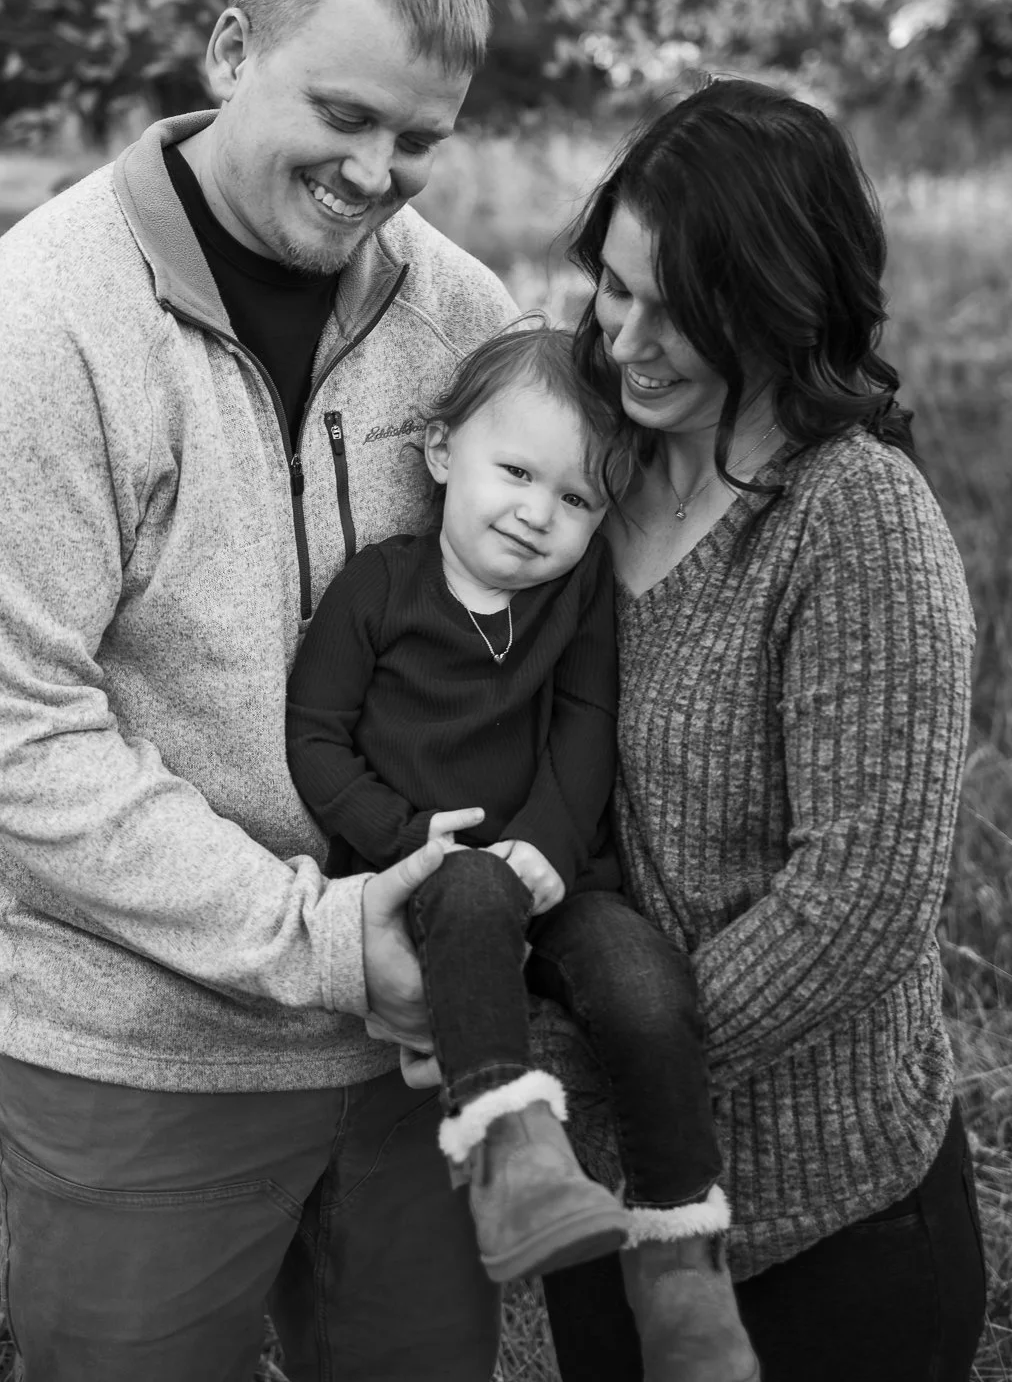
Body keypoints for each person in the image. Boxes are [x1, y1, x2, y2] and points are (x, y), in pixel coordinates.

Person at [0, 0, 519, 1382]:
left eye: (419, 139)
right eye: (344, 114)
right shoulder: (41, 325)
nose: (375, 175)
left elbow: (533, 628)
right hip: (139, 1044)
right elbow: (15, 737)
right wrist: (319, 941)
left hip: (415, 1040)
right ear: (233, 50)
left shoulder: (462, 317)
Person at [537, 77, 986, 1382]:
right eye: (614, 286)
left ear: (784, 303)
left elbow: (858, 900)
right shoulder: (595, 467)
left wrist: (608, 1068)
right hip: (616, 1211)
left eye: (680, 309)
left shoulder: (851, 518)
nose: (628, 339)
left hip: (829, 1229)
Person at [285, 326, 761, 1380]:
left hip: (553, 876)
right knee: (467, 895)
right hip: (433, 877)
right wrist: (402, 837)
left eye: (578, 498)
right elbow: (314, 737)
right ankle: (513, 1160)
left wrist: (545, 840)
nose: (538, 513)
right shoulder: (379, 588)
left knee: (644, 983)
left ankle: (682, 1258)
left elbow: (586, 720)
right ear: (440, 452)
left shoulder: (573, 597)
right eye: (515, 472)